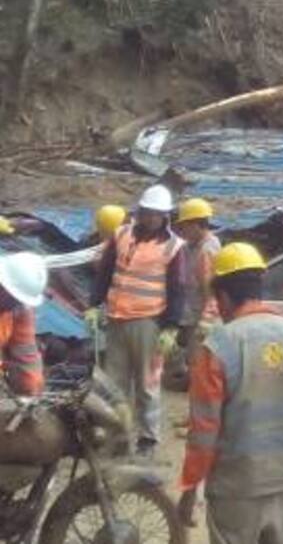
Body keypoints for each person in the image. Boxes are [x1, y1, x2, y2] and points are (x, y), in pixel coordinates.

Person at [178, 242, 283, 544]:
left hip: (236, 488)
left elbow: (204, 432)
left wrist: (189, 488)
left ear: (224, 296)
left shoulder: (218, 346)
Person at [90, 184, 185, 454]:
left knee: (147, 383)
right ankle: (115, 434)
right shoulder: (121, 235)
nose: (149, 218)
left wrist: (171, 327)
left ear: (165, 216)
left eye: (155, 214)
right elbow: (105, 273)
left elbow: (178, 289)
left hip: (149, 322)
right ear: (140, 211)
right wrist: (94, 305)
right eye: (146, 212)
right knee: (113, 382)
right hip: (117, 318)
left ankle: (148, 438)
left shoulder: (173, 247)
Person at [173, 198, 221, 371]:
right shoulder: (189, 247)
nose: (181, 231)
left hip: (201, 321)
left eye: (184, 226)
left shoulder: (207, 251)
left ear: (197, 225)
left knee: (199, 366)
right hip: (190, 317)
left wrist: (206, 320)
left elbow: (210, 291)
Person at [0, 252, 48, 395]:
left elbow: (26, 351)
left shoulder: (20, 308)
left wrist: (33, 388)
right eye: (13, 298)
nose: (15, 304)